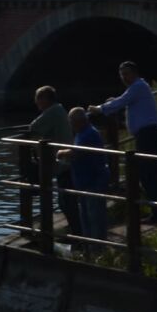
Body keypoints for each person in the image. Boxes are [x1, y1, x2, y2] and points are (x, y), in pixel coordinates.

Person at [88, 62, 157, 224]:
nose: (124, 78)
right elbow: (124, 100)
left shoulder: (138, 86)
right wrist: (114, 102)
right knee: (151, 174)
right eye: (122, 75)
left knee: (149, 175)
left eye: (126, 74)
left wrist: (99, 109)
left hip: (148, 136)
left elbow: (121, 101)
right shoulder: (137, 88)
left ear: (134, 73)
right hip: (147, 136)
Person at [29, 86, 82, 237]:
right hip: (64, 162)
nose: (36, 102)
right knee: (64, 200)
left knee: (67, 201)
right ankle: (77, 232)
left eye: (38, 99)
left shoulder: (54, 111)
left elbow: (34, 126)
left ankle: (78, 235)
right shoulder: (59, 110)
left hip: (65, 163)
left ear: (46, 99)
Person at [58, 107, 109, 250]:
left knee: (95, 218)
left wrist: (61, 152)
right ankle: (89, 248)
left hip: (93, 182)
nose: (71, 126)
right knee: (86, 218)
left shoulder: (88, 134)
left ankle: (97, 250)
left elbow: (75, 152)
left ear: (79, 122)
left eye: (72, 123)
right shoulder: (82, 133)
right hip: (84, 182)